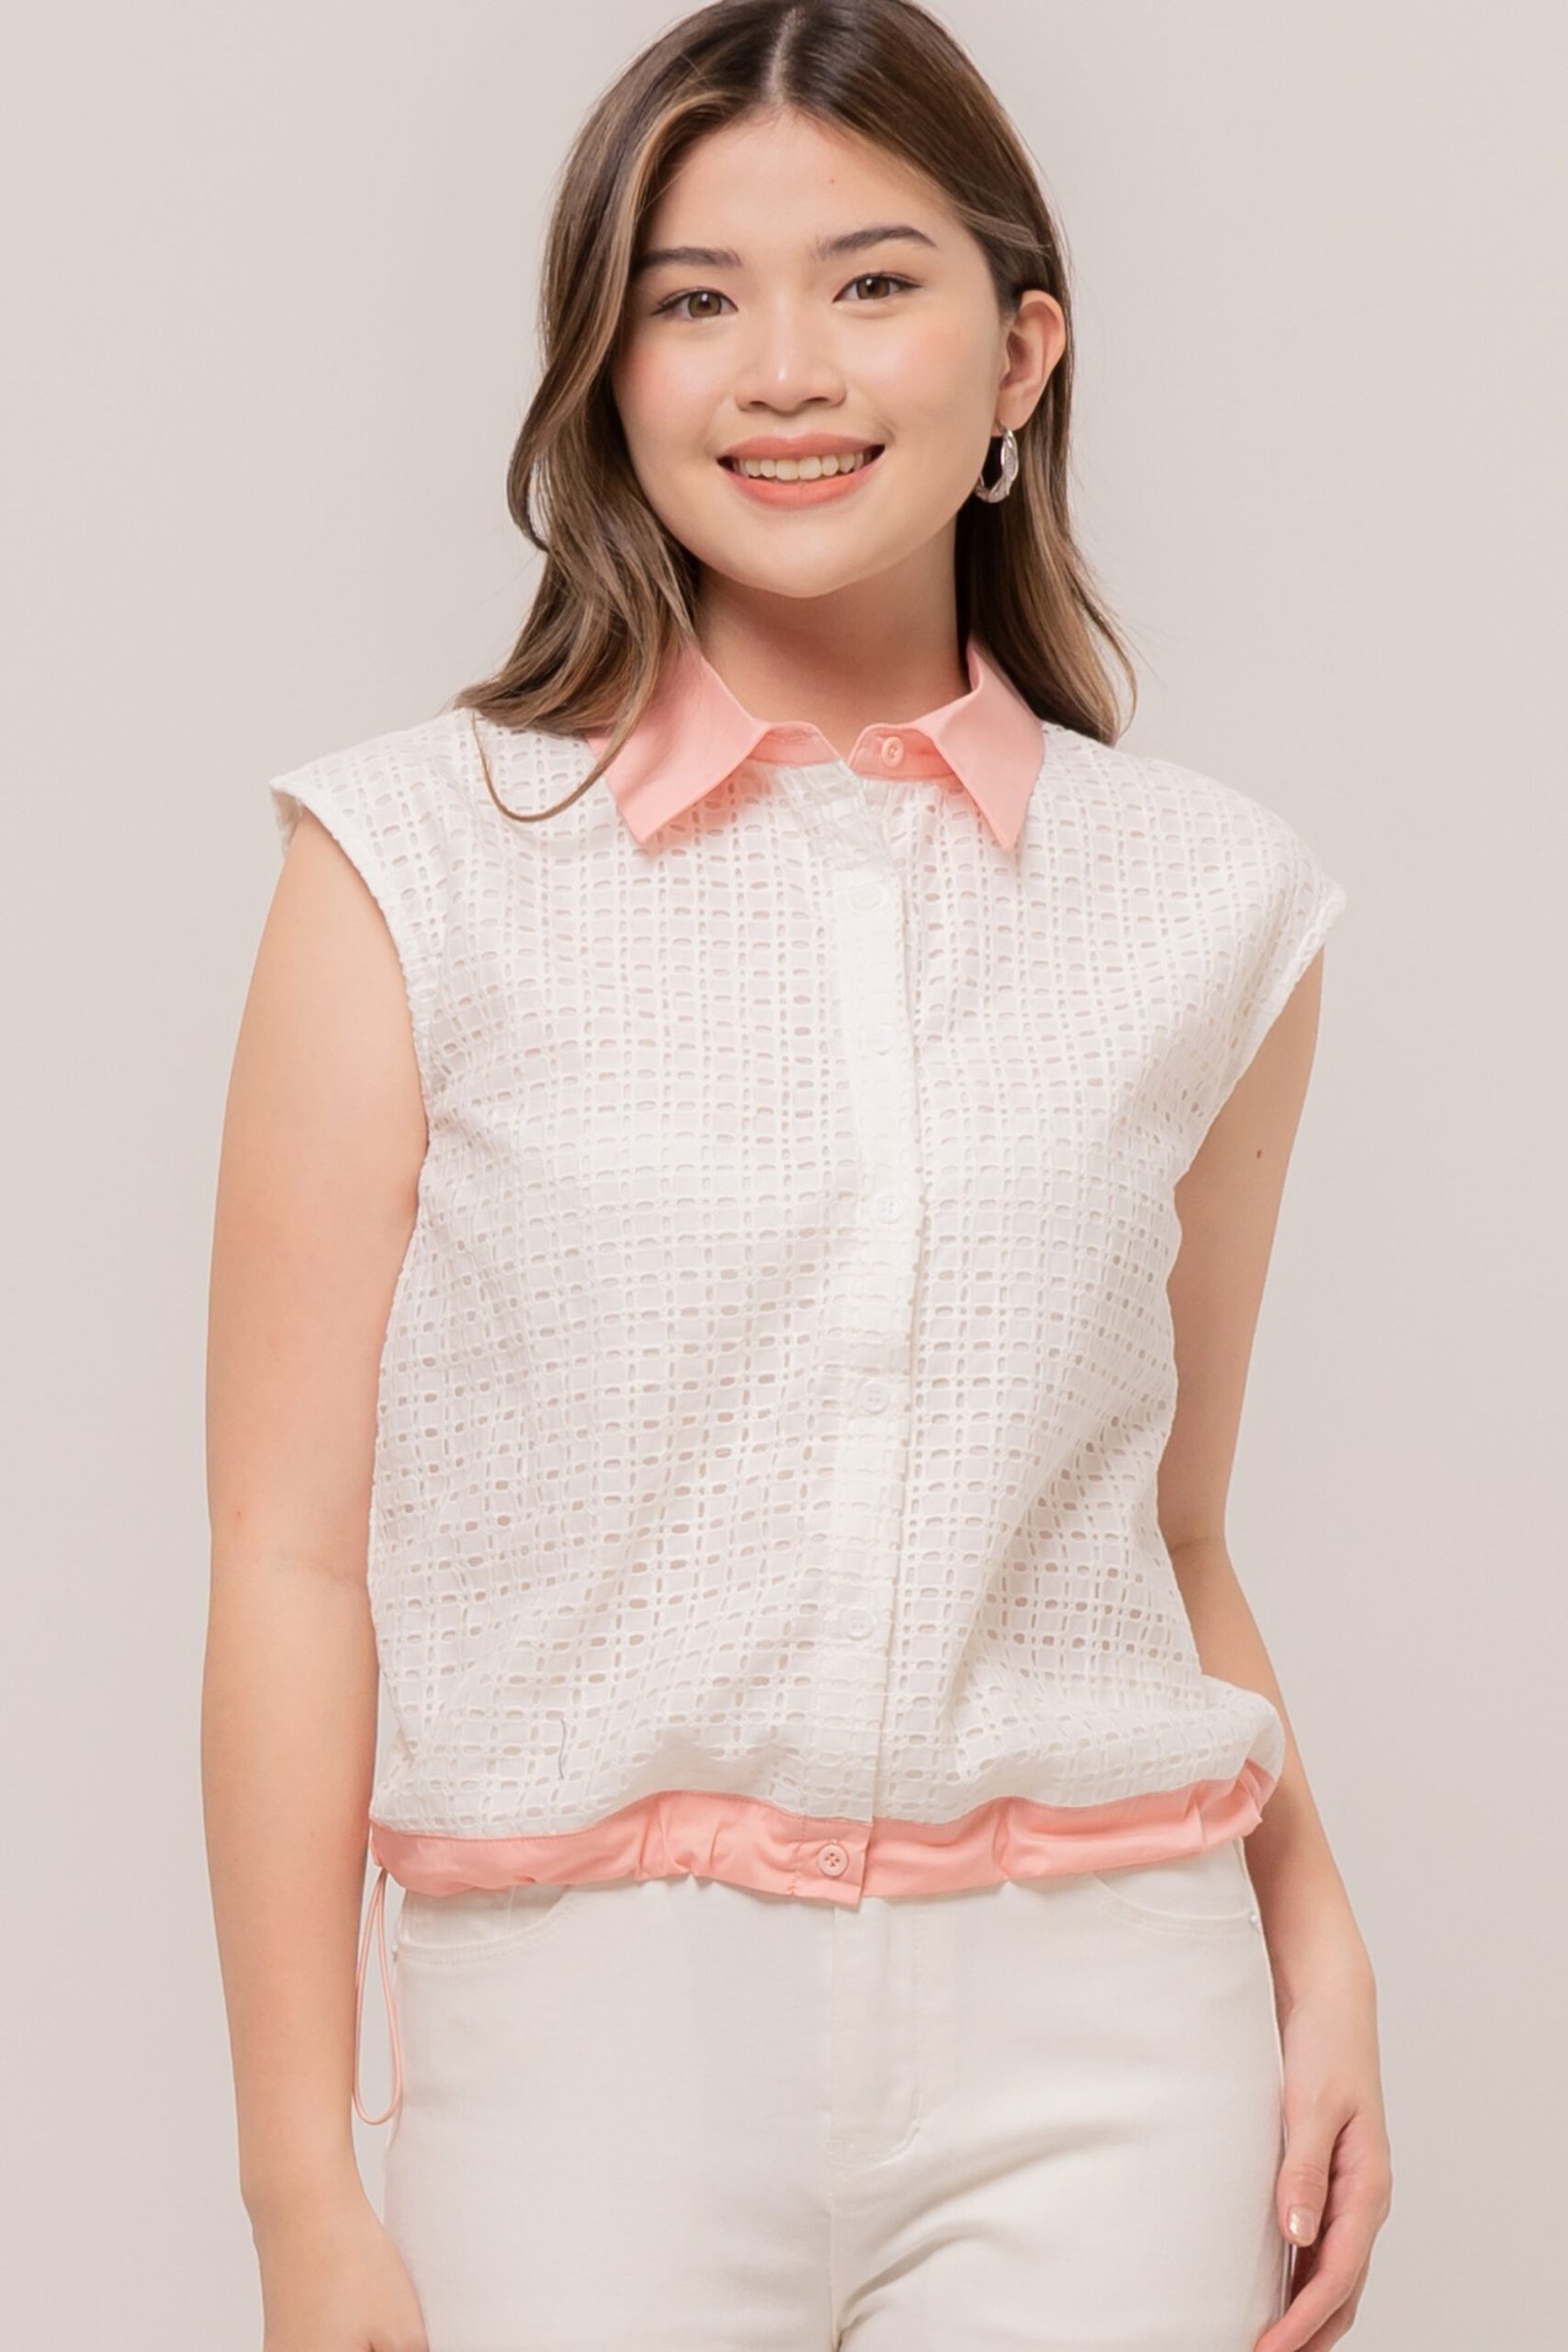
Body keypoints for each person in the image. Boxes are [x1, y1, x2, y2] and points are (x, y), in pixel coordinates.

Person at [204, 2, 1393, 2346]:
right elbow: (286, 1558)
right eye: (691, 296)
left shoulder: (1211, 903)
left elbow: (1162, 1539)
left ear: (1017, 350)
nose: (782, 371)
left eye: (869, 282)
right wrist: (296, 2194)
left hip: (1112, 2039)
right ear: (607, 368)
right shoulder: (412, 862)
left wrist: (1317, 1944)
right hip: (584, 2045)